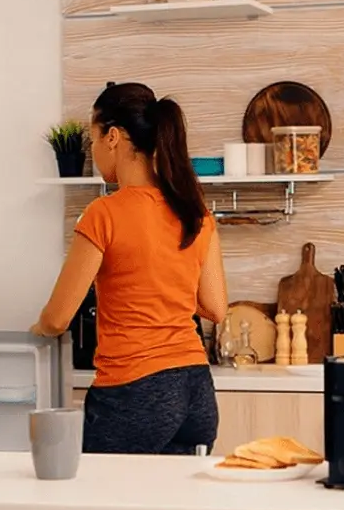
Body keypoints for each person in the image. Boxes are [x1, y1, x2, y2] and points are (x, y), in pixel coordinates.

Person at [30, 82, 228, 455]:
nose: (92, 153)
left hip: (136, 393)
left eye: (93, 141)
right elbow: (216, 308)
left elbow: (58, 318)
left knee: (98, 504)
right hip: (196, 391)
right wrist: (168, 286)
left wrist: (38, 327)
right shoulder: (196, 214)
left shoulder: (104, 214)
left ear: (114, 137)